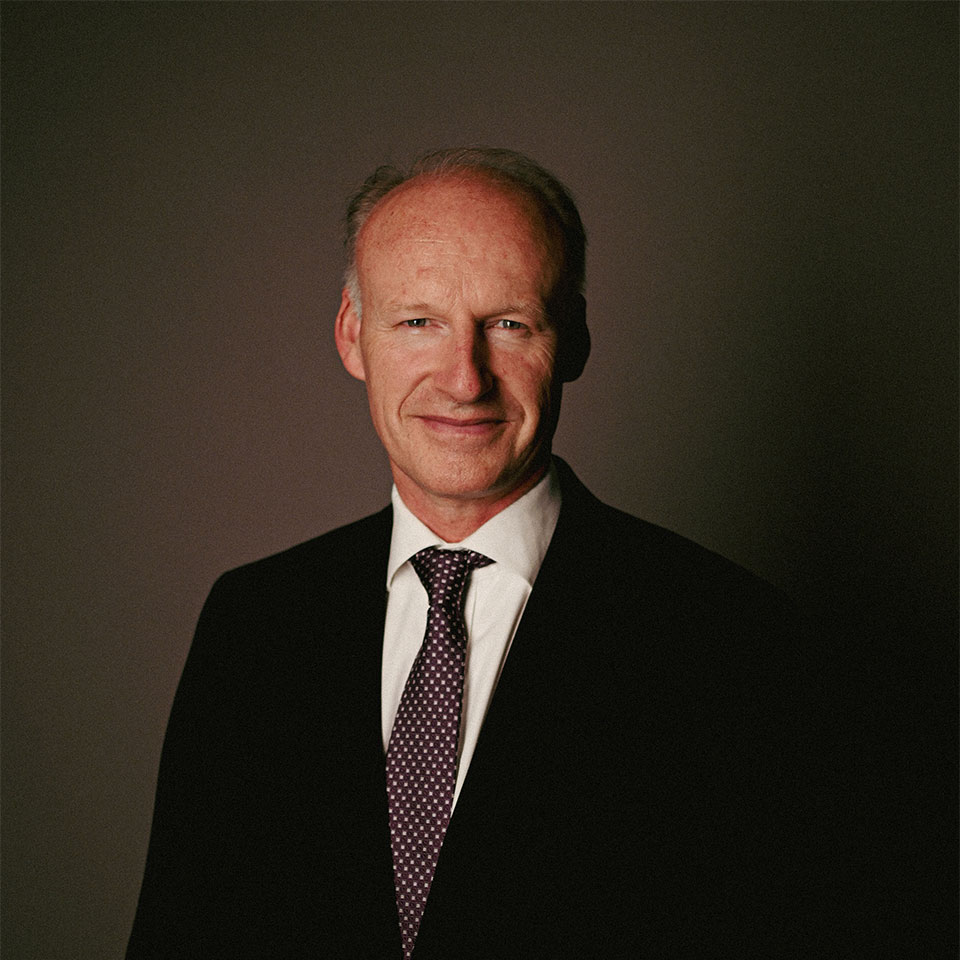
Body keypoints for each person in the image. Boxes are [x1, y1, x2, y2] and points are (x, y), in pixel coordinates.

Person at [126, 148, 846, 959]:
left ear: (573, 340)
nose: (464, 380)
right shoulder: (254, 627)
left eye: (508, 324)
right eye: (418, 322)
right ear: (352, 335)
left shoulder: (733, 639)